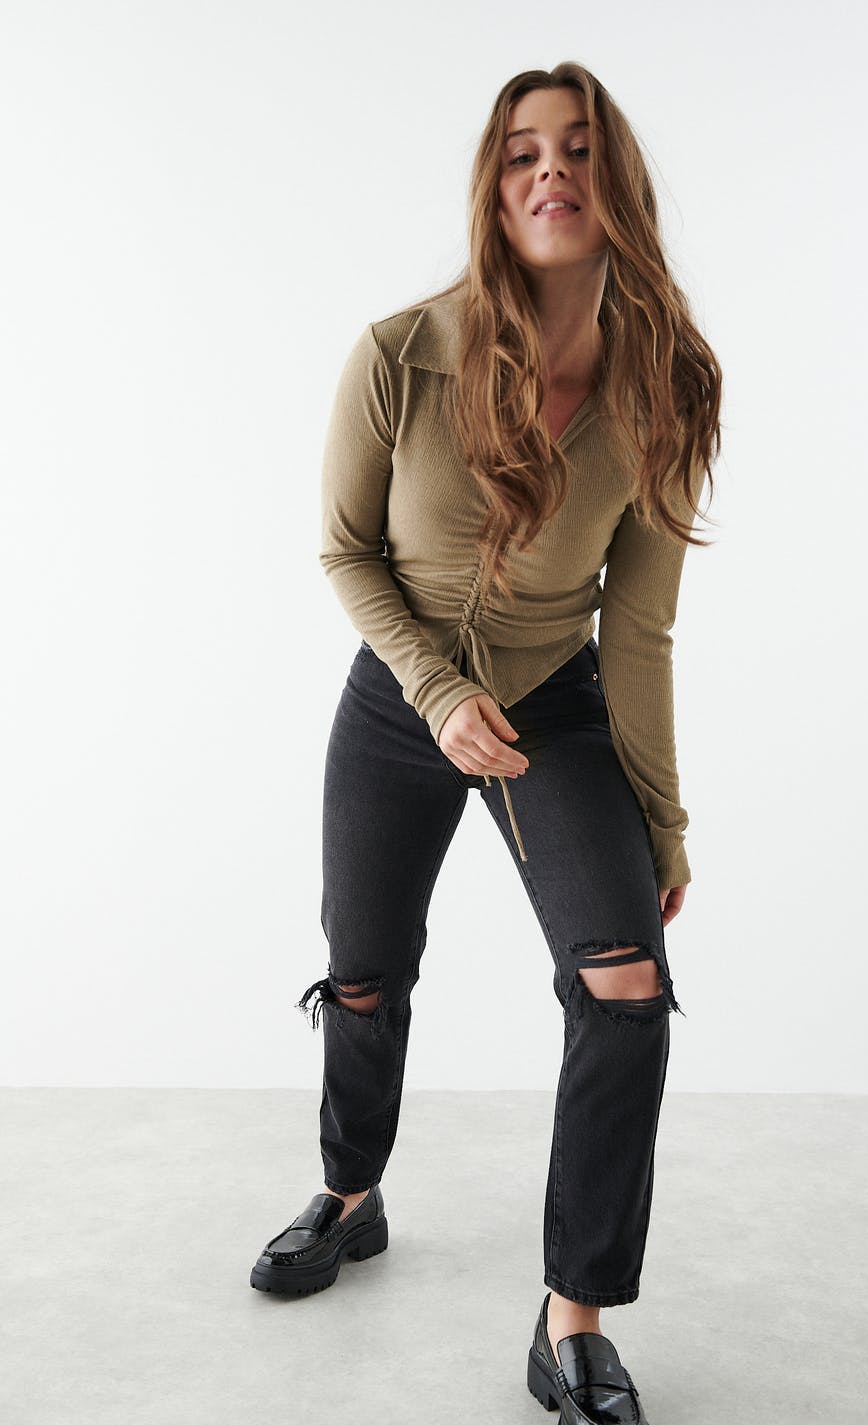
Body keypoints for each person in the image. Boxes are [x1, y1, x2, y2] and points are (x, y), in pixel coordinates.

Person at [250, 61, 720, 1425]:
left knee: (626, 984)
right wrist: (436, 692)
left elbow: (639, 628)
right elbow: (346, 549)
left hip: (554, 708)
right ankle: (350, 1193)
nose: (549, 170)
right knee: (363, 972)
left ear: (615, 183)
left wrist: (663, 825)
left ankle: (573, 1317)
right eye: (522, 152)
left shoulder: (669, 386)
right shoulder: (401, 352)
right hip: (402, 701)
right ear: (494, 186)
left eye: (577, 149)